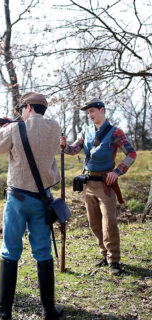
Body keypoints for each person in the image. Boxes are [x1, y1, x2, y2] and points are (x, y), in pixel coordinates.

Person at [0, 92, 63, 320]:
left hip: (18, 199)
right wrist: (13, 125)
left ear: (29, 107)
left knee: (10, 249)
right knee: (43, 251)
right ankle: (49, 310)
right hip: (43, 198)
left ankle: (3, 309)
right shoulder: (54, 127)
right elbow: (33, 132)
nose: (20, 112)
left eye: (22, 109)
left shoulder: (15, 129)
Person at [60, 98, 136, 276]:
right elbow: (74, 150)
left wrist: (117, 172)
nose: (90, 116)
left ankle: (114, 261)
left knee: (109, 223)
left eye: (93, 111)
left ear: (102, 110)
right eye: (88, 113)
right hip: (88, 184)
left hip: (106, 185)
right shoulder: (85, 131)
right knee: (94, 223)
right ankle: (104, 254)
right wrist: (64, 146)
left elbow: (131, 154)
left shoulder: (116, 132)